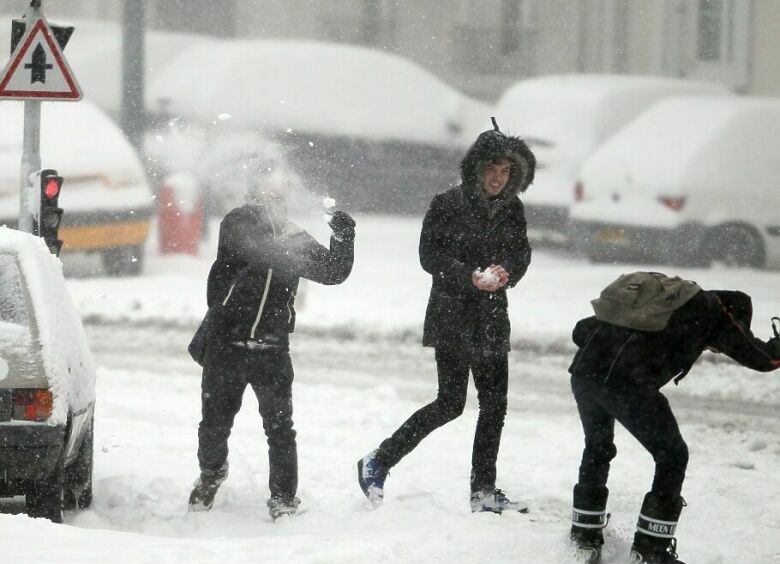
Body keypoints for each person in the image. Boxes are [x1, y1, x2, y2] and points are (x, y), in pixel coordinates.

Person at [357, 119, 536, 513]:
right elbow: (429, 257)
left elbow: (521, 255)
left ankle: (483, 491)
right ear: (476, 168)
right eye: (491, 169)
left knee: (494, 406)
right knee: (450, 402)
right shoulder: (446, 204)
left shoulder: (513, 210)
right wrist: (468, 276)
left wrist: (507, 271)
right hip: (452, 316)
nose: (497, 178)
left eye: (506, 172)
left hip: (491, 317)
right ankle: (378, 461)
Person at [567, 272, 780, 564]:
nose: (714, 349)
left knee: (598, 447)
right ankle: (650, 552)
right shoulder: (715, 312)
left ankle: (584, 541)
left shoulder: (662, 302)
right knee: (672, 456)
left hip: (585, 373)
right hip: (628, 385)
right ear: (736, 318)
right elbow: (763, 358)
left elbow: (580, 331)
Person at [188, 172, 356, 520]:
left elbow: (334, 272)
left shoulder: (293, 236)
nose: (275, 199)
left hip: (272, 348)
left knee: (280, 428)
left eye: (281, 194)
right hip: (227, 343)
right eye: (269, 192)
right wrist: (290, 247)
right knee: (214, 424)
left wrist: (343, 237)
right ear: (254, 194)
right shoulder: (236, 223)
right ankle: (212, 473)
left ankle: (283, 497)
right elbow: (257, 249)